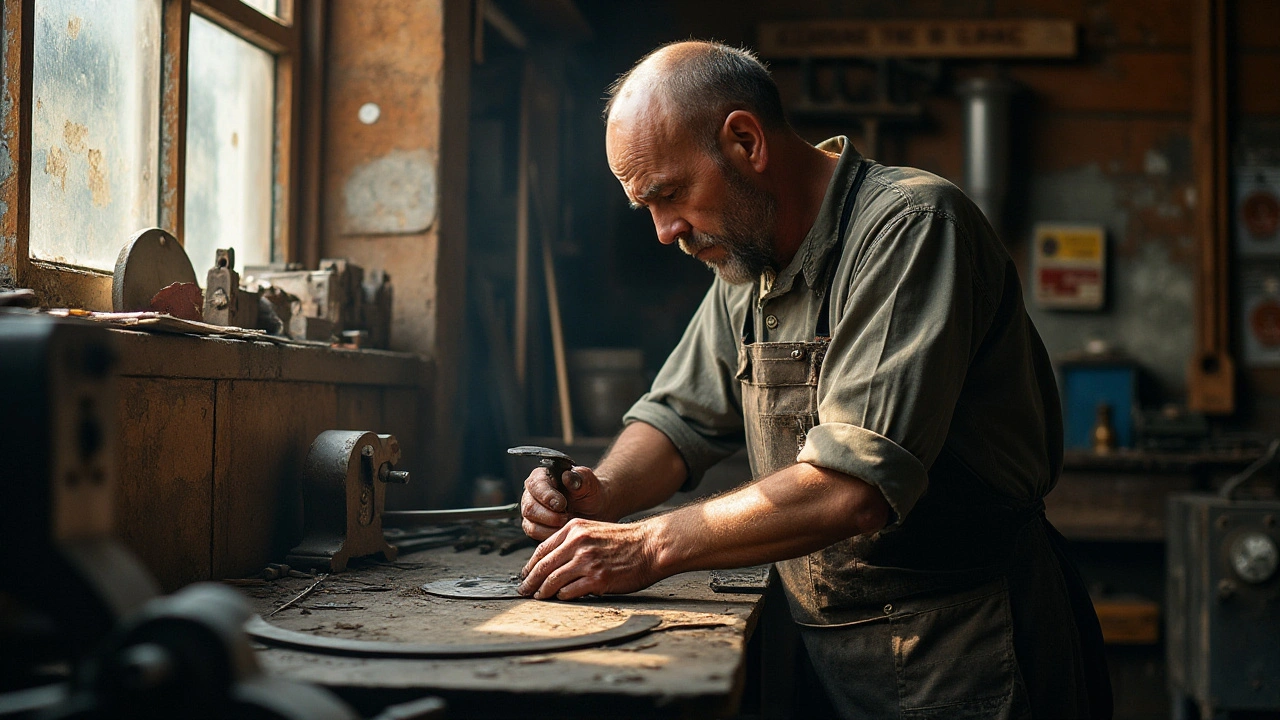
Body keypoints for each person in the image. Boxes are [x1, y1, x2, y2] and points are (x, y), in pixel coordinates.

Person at [517, 40, 1111, 719]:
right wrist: (603, 493)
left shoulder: (910, 227)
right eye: (645, 206)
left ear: (744, 141)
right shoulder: (748, 257)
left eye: (670, 194)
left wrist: (649, 545)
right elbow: (676, 418)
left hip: (962, 649)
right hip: (829, 647)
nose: (663, 230)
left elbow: (854, 489)